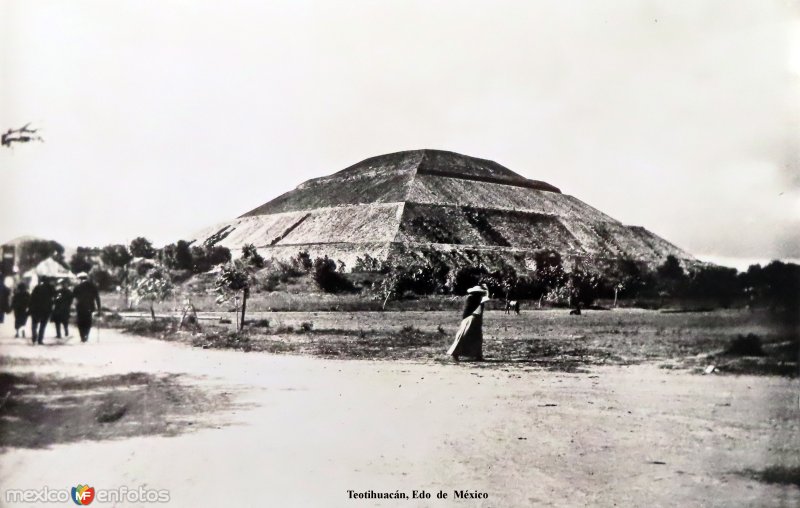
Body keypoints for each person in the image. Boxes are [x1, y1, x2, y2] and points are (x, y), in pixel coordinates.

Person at [447, 284, 490, 362]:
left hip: (471, 318)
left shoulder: (471, 298)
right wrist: (487, 289)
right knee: (472, 337)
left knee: (472, 337)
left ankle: (477, 355)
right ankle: (457, 353)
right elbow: (487, 298)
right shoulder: (476, 299)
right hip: (472, 318)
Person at [73, 272, 101, 342]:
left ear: (79, 279)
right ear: (87, 278)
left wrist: (73, 306)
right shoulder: (92, 286)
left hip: (80, 307)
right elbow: (97, 298)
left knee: (80, 322)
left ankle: (82, 336)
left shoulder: (77, 287)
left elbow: (73, 298)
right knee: (88, 321)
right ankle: (86, 334)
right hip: (89, 307)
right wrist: (99, 308)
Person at [29, 277, 55, 345]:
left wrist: (30, 307)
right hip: (46, 309)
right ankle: (40, 339)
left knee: (34, 323)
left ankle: (34, 335)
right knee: (43, 325)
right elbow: (54, 296)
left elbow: (32, 298)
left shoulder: (37, 288)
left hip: (36, 308)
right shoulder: (50, 288)